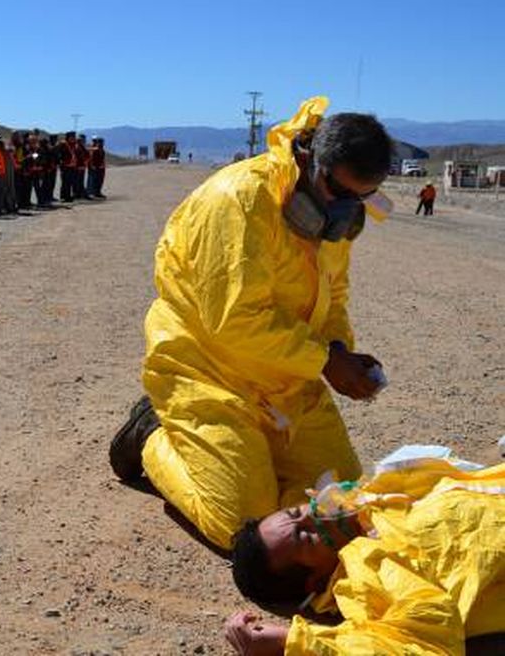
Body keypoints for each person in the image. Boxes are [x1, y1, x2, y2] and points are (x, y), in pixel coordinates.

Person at [108, 96, 394, 551]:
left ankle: (251, 458)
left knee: (345, 513)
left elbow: (332, 294)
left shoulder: (330, 218)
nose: (345, 209)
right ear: (308, 156)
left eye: (359, 198)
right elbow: (235, 320)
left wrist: (339, 349)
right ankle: (152, 434)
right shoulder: (239, 201)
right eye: (338, 193)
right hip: (208, 370)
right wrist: (323, 360)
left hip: (287, 379)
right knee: (244, 526)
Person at [225, 455, 505, 655]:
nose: (314, 514)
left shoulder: (370, 502)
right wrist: (294, 642)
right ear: (316, 580)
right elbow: (411, 642)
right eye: (306, 536)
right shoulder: (367, 574)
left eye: (296, 512)